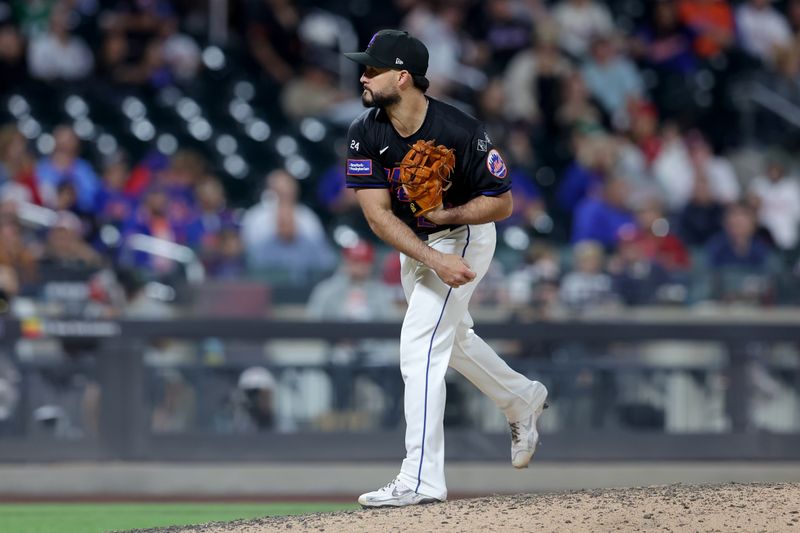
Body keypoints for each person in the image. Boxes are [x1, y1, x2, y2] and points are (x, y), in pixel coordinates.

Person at [343, 29, 548, 508]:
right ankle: (521, 398)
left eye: (373, 68)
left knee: (419, 342)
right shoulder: (365, 131)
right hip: (419, 245)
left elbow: (502, 204)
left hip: (464, 233)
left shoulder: (459, 129)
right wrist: (432, 256)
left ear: (403, 76)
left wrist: (449, 218)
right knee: (451, 339)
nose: (363, 75)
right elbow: (376, 215)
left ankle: (421, 479)